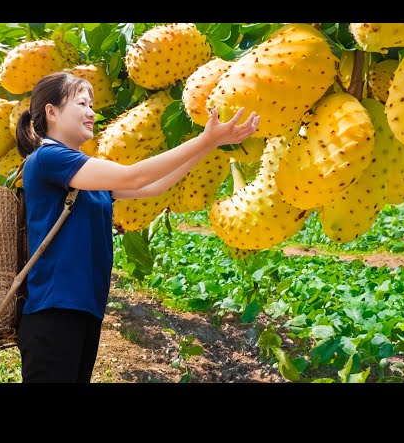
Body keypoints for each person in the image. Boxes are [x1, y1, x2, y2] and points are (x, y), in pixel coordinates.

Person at [15, 71, 260, 383]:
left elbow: (154, 187)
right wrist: (204, 138)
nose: (92, 112)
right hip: (55, 310)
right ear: (51, 111)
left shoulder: (83, 172)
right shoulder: (49, 158)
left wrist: (210, 146)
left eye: (92, 104)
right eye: (81, 103)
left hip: (83, 309)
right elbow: (134, 177)